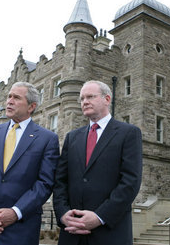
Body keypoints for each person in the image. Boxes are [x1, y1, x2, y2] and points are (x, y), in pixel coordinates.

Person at [0, 81, 60, 245]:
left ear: (31, 106)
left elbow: (45, 183)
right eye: (9, 97)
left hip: (19, 231)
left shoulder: (47, 139)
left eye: (16, 98)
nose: (9, 101)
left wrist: (15, 212)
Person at [53, 80, 143, 245]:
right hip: (71, 233)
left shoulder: (128, 133)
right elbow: (60, 181)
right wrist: (63, 214)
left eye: (90, 97)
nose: (84, 102)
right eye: (81, 99)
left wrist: (100, 216)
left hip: (109, 233)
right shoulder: (72, 137)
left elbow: (130, 182)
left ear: (107, 99)